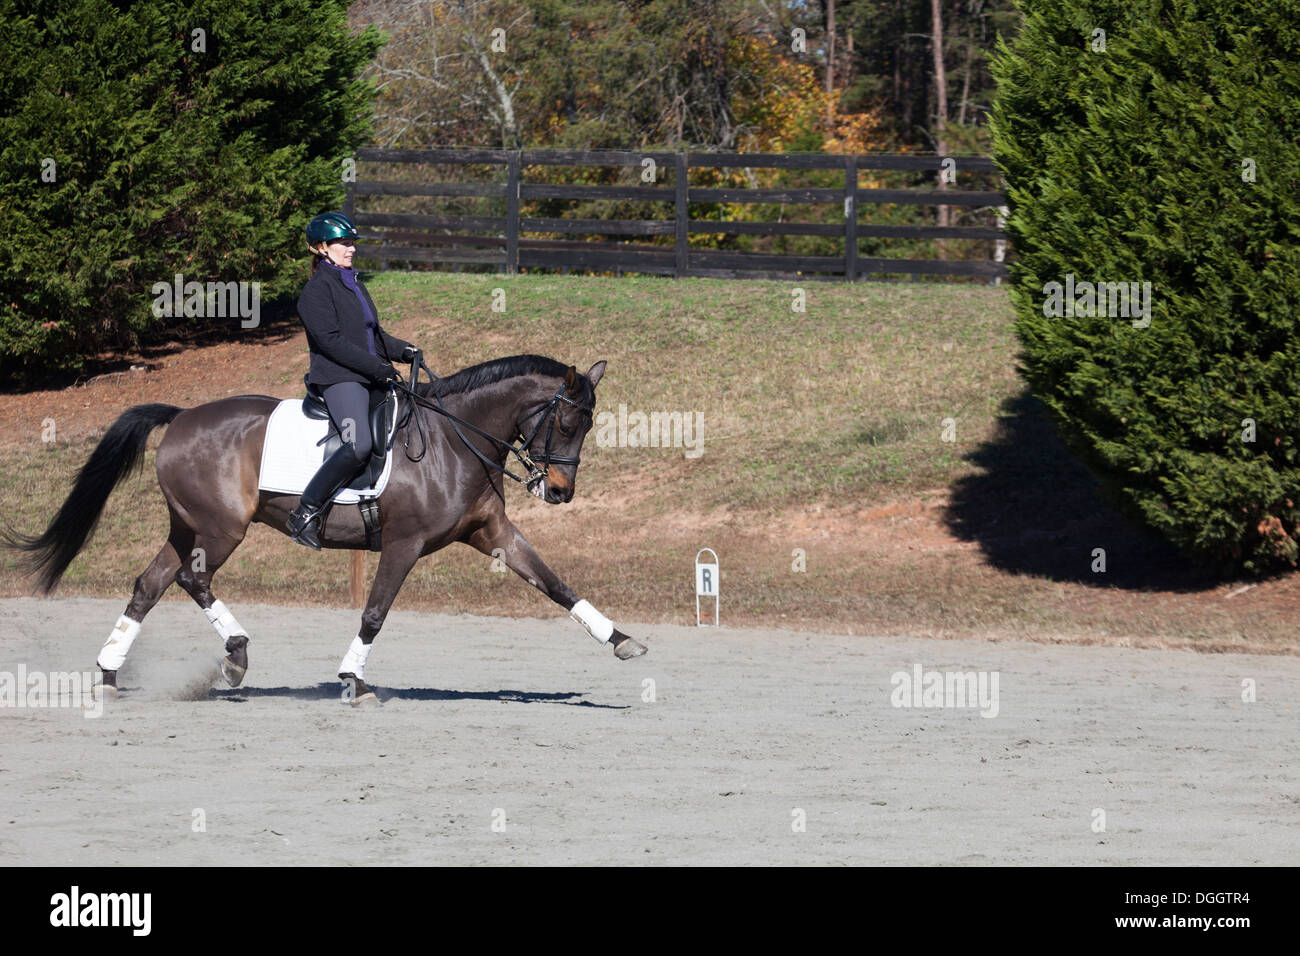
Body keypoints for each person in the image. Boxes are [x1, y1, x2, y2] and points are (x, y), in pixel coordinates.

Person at [286, 211, 419, 550]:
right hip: (339, 378)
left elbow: (372, 335)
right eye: (344, 243)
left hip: (367, 374)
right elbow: (331, 342)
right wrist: (377, 368)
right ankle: (305, 512)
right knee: (358, 443)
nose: (351, 249)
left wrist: (404, 351)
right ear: (321, 247)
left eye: (352, 243)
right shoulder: (315, 291)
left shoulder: (353, 282)